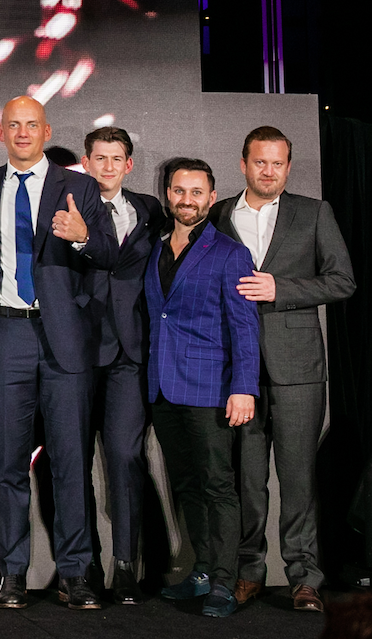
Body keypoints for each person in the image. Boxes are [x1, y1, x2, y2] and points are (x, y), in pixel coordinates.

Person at [0, 95, 117, 611]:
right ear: (1, 133)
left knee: (70, 459)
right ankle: (13, 574)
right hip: (6, 335)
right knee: (8, 462)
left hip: (65, 337)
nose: (23, 133)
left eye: (32, 124)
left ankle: (76, 573)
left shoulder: (80, 186)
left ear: (46, 131)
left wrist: (83, 237)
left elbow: (110, 255)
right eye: (13, 125)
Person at [209, 127, 355, 612]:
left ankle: (304, 577)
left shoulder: (314, 212)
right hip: (239, 373)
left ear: (288, 167)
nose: (269, 171)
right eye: (260, 162)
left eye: (278, 163)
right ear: (243, 162)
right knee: (247, 480)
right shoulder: (219, 215)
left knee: (297, 479)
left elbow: (341, 281)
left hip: (299, 370)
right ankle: (250, 570)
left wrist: (280, 289)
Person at [146, 158, 260, 618]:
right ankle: (203, 571)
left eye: (197, 192)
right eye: (179, 191)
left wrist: (244, 387)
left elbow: (244, 328)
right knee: (187, 486)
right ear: (168, 195)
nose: (187, 200)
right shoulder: (154, 250)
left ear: (212, 199)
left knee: (218, 487)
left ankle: (225, 584)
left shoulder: (230, 253)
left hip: (212, 388)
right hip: (162, 389)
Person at [80, 126, 164, 604]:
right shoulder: (67, 206)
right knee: (71, 463)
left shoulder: (149, 210)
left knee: (125, 459)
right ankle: (84, 563)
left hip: (131, 356)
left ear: (129, 164)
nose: (108, 166)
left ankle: (126, 564)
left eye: (117, 158)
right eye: (100, 157)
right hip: (77, 352)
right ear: (87, 162)